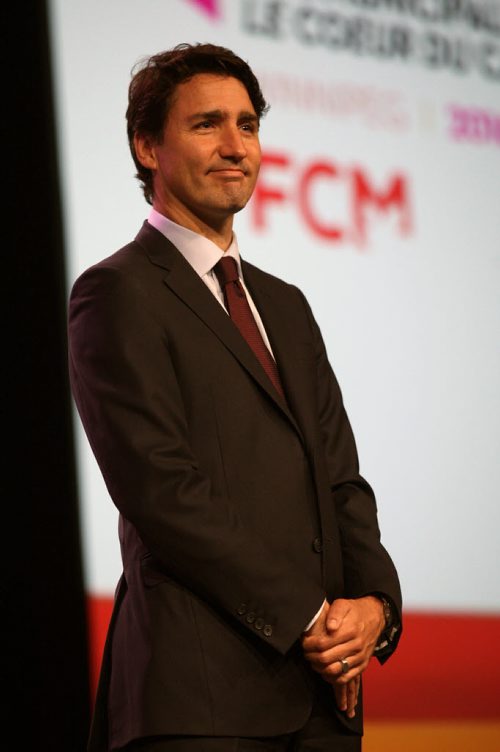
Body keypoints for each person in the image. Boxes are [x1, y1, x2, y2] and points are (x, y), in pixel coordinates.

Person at [68, 42, 402, 752]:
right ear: (146, 145)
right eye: (207, 124)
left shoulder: (287, 306)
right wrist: (310, 619)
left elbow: (340, 479)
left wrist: (374, 604)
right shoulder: (115, 292)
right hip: (201, 700)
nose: (235, 146)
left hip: (322, 702)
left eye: (248, 125)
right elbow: (163, 492)